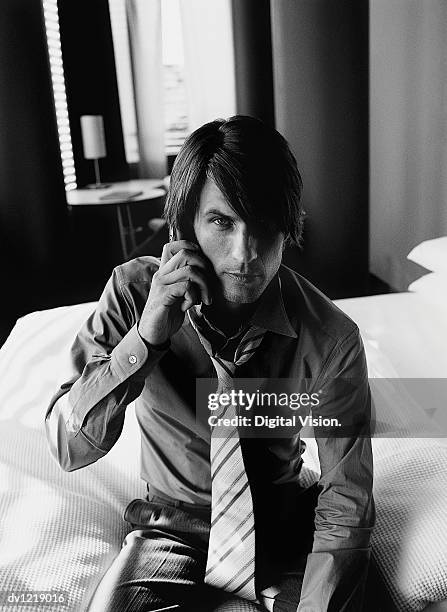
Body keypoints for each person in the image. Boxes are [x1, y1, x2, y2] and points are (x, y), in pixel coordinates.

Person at [45, 115, 375, 612]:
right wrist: (146, 338)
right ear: (185, 228)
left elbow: (346, 502)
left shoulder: (331, 338)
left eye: (264, 225)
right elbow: (68, 446)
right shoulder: (133, 293)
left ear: (288, 227)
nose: (246, 253)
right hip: (171, 528)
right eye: (222, 221)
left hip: (282, 526)